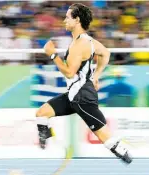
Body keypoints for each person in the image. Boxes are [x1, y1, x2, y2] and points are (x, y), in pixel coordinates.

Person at [36, 3, 132, 164]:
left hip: (82, 97)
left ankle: (124, 154)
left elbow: (69, 72)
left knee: (106, 138)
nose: (64, 20)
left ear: (77, 20)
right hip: (74, 95)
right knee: (41, 114)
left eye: (67, 17)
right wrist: (96, 76)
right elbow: (105, 54)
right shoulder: (89, 41)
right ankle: (47, 136)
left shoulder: (79, 45)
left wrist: (53, 55)